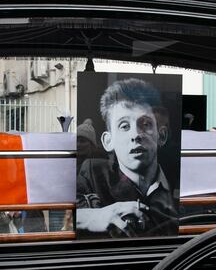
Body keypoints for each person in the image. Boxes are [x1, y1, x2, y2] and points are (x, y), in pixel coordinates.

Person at [76, 78, 178, 238]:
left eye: (145, 124)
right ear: (108, 141)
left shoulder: (178, 178)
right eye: (124, 126)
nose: (136, 135)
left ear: (162, 136)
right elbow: (66, 214)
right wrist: (92, 217)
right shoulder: (93, 173)